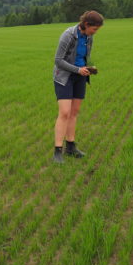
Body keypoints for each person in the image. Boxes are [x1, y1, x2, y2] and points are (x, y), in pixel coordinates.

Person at [53, 10, 104, 163]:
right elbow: (58, 60)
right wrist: (77, 69)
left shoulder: (89, 38)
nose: (95, 33)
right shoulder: (68, 35)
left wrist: (89, 68)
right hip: (64, 77)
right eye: (94, 29)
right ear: (86, 24)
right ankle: (57, 151)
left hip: (81, 77)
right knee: (64, 112)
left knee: (74, 113)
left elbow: (83, 57)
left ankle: (71, 147)